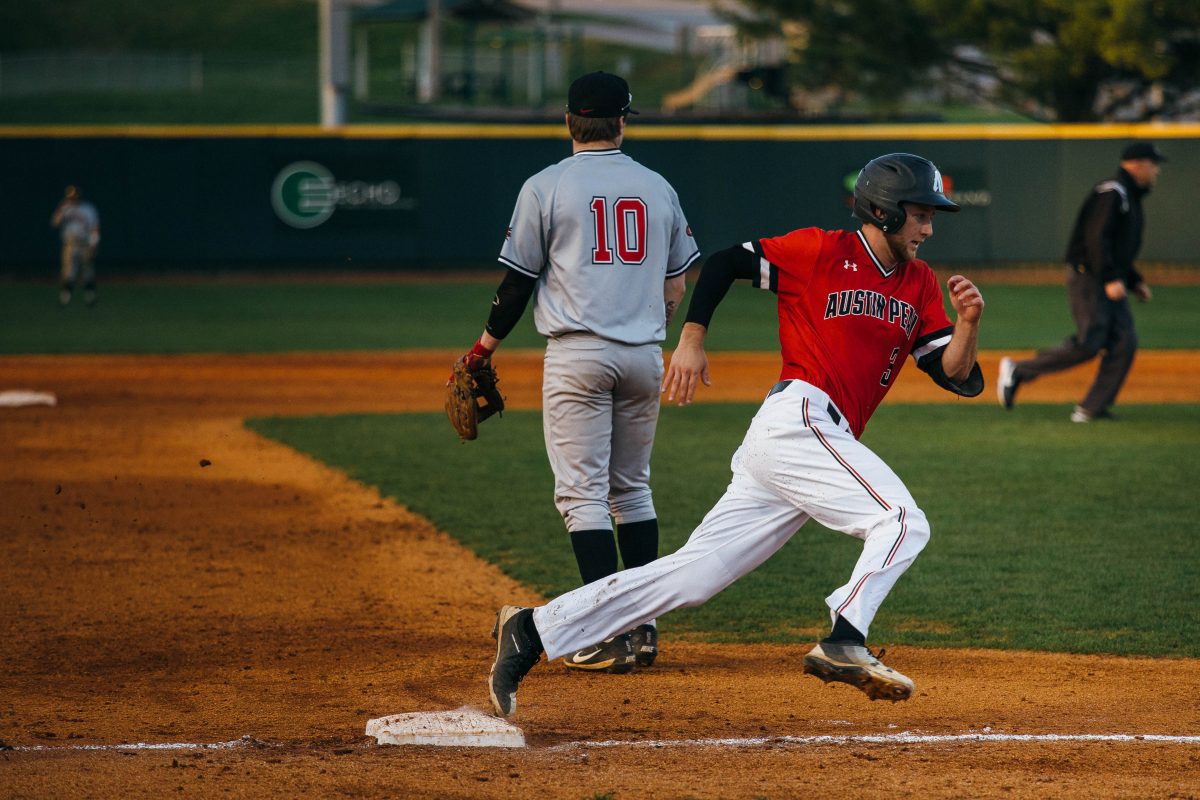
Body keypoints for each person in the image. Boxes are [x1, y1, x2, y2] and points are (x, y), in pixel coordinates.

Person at [488, 152, 985, 717]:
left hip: (802, 442)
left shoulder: (919, 284)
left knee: (694, 577)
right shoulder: (821, 250)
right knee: (901, 520)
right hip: (800, 420)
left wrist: (967, 325)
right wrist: (692, 337)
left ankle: (532, 629)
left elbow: (954, 374)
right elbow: (725, 262)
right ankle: (846, 637)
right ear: (885, 210)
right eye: (921, 214)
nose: (929, 227)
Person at [454, 71, 700, 674]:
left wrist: (482, 349)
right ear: (623, 121)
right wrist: (653, 322)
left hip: (577, 356)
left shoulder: (545, 186)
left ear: (568, 121)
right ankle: (642, 628)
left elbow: (517, 283)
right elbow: (678, 278)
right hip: (644, 356)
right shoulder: (657, 186)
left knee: (582, 496)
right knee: (632, 490)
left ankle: (604, 632)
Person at [997, 141, 1165, 422]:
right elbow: (1097, 238)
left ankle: (1092, 408)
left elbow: (1119, 247)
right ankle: (1018, 371)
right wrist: (1112, 278)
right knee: (1091, 342)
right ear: (1137, 164)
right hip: (1091, 277)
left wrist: (1134, 280)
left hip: (1108, 278)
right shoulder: (1113, 192)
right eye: (1153, 164)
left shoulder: (1128, 195)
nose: (1156, 171)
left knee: (1124, 342)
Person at [50, 185, 101, 307]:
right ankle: (65, 299)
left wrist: (94, 244)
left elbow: (95, 228)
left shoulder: (88, 209)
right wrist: (60, 210)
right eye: (71, 197)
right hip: (70, 244)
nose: (73, 199)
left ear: (79, 196)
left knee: (88, 272)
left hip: (85, 244)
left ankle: (90, 298)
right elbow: (54, 223)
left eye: (75, 196)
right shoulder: (64, 208)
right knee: (68, 273)